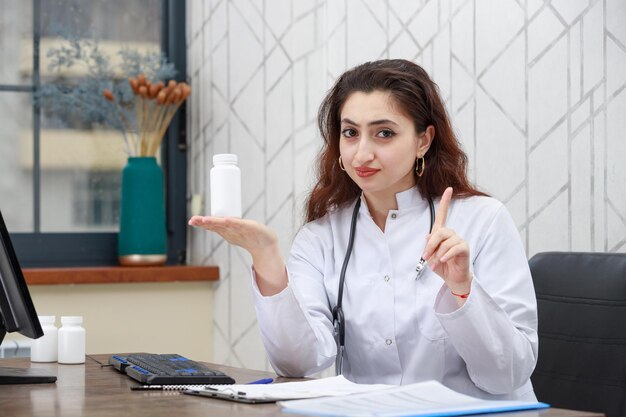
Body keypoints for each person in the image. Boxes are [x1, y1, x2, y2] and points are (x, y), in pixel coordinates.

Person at [189, 59, 538, 401]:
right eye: (350, 133)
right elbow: (297, 363)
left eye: (384, 133)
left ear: (423, 140)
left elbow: (507, 374)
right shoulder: (322, 237)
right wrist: (265, 256)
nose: (362, 153)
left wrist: (463, 291)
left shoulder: (483, 220)